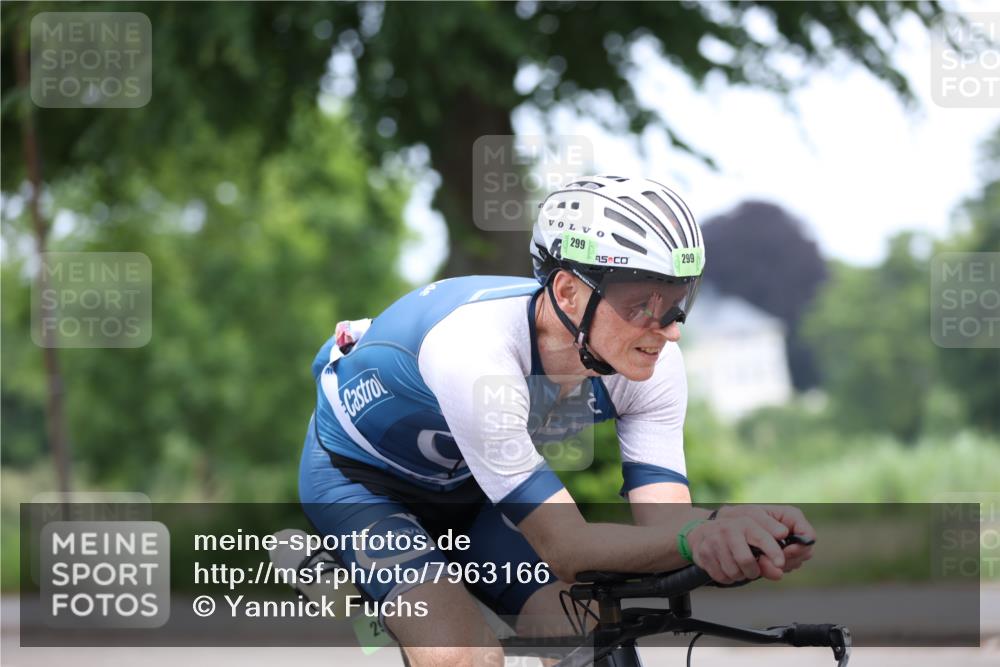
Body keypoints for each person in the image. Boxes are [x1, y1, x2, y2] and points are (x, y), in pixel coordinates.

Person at [299, 175, 815, 666]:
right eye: (641, 304)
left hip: (473, 489)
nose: (668, 331)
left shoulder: (650, 362)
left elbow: (665, 526)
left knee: (583, 633)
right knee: (461, 653)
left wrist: (731, 533)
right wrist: (700, 536)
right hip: (363, 485)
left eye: (678, 304)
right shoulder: (475, 353)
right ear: (568, 292)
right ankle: (342, 586)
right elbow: (567, 547)